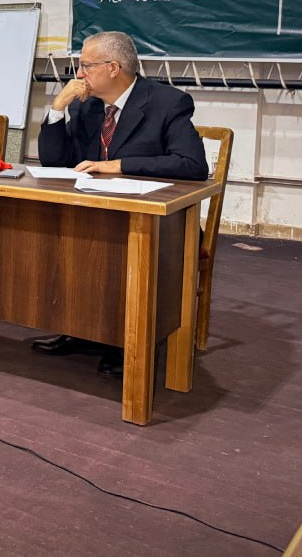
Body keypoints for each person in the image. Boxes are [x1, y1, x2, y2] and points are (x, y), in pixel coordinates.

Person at [32, 30, 209, 375]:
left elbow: (192, 165)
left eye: (86, 66)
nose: (79, 74)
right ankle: (79, 327)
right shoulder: (85, 105)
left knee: (118, 246)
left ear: (113, 68)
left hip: (159, 221)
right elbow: (54, 162)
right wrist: (57, 109)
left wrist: (120, 165)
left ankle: (125, 338)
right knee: (53, 232)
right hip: (96, 211)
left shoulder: (167, 103)